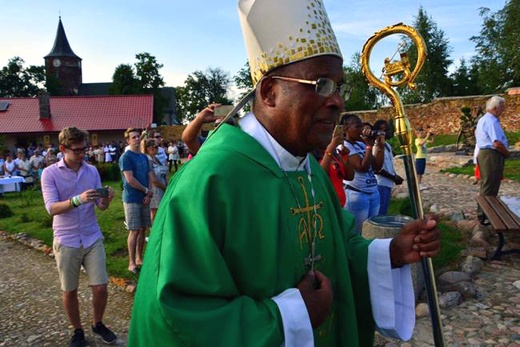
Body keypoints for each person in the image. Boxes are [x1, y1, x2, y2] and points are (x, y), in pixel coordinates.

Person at [128, 1, 440, 346]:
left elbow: (338, 249)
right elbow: (178, 314)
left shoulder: (308, 169)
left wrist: (390, 252)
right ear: (269, 92)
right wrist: (289, 316)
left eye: (339, 87)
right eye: (321, 84)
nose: (337, 101)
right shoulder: (210, 181)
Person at [41, 127, 117, 347]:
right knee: (70, 289)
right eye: (77, 150)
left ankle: (97, 323)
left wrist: (107, 199)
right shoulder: (50, 173)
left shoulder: (91, 171)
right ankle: (77, 331)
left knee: (101, 286)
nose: (82, 153)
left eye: (85, 149)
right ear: (63, 149)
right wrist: (77, 200)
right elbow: (51, 208)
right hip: (66, 238)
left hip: (91, 235)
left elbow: (100, 206)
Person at [342, 114, 385, 233]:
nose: (361, 130)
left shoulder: (360, 144)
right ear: (346, 128)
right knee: (357, 233)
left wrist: (380, 147)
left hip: (372, 192)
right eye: (357, 127)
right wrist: (369, 146)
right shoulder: (344, 146)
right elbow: (362, 167)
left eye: (361, 126)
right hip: (357, 194)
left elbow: (376, 167)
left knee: (370, 231)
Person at [118, 128, 153, 273]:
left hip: (145, 197)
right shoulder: (126, 157)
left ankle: (139, 257)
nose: (137, 139)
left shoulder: (144, 157)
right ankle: (131, 263)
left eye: (138, 136)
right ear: (128, 140)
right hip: (132, 198)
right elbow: (130, 179)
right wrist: (146, 190)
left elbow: (149, 174)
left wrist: (149, 192)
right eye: (133, 137)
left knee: (143, 228)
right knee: (134, 230)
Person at [474, 96, 510, 223]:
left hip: (488, 154)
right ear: (496, 107)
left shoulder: (487, 120)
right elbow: (496, 143)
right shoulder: (491, 121)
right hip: (491, 154)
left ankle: (487, 212)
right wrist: (507, 153)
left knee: (490, 183)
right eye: (502, 107)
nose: (503, 109)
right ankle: (484, 214)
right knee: (489, 184)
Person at [315, 121, 353, 208]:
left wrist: (345, 156)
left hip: (340, 204)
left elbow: (350, 176)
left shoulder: (335, 155)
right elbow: (320, 176)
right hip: (326, 204)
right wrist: (331, 147)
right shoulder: (313, 155)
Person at [373, 119, 404, 215]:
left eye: (388, 130)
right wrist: (393, 177)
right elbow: (376, 169)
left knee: (384, 210)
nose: (387, 132)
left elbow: (388, 165)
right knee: (380, 213)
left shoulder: (387, 145)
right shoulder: (375, 146)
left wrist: (394, 175)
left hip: (388, 183)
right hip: (380, 183)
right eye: (384, 130)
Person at [143, 138, 169, 223]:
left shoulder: (156, 159)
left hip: (161, 189)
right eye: (156, 146)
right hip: (155, 190)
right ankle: (153, 233)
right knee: (155, 214)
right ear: (149, 148)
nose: (158, 148)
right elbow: (153, 180)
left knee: (161, 213)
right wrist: (165, 188)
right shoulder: (148, 160)